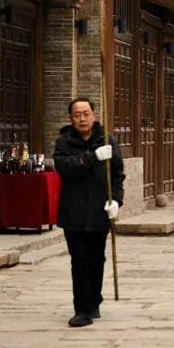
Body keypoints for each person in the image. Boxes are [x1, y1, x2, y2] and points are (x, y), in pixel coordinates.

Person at [54, 97, 125, 328]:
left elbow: (117, 176)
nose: (82, 118)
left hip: (98, 211)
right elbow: (65, 168)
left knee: (97, 258)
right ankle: (81, 309)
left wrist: (117, 202)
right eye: (77, 114)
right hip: (73, 212)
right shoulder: (64, 141)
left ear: (94, 114)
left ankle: (94, 300)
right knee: (79, 260)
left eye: (86, 113)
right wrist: (92, 157)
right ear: (71, 118)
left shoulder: (107, 141)